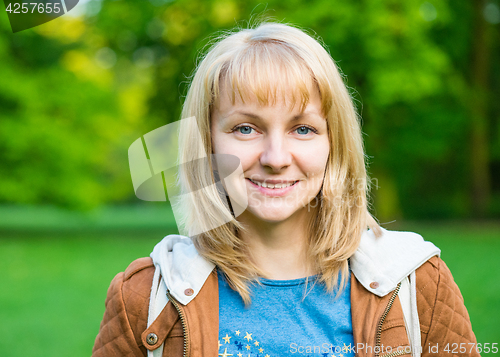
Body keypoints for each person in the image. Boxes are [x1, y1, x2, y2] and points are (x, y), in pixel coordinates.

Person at [92, 22, 479, 357]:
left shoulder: (417, 284)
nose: (276, 157)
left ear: (334, 144)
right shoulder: (144, 298)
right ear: (206, 144)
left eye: (303, 129)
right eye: (246, 128)